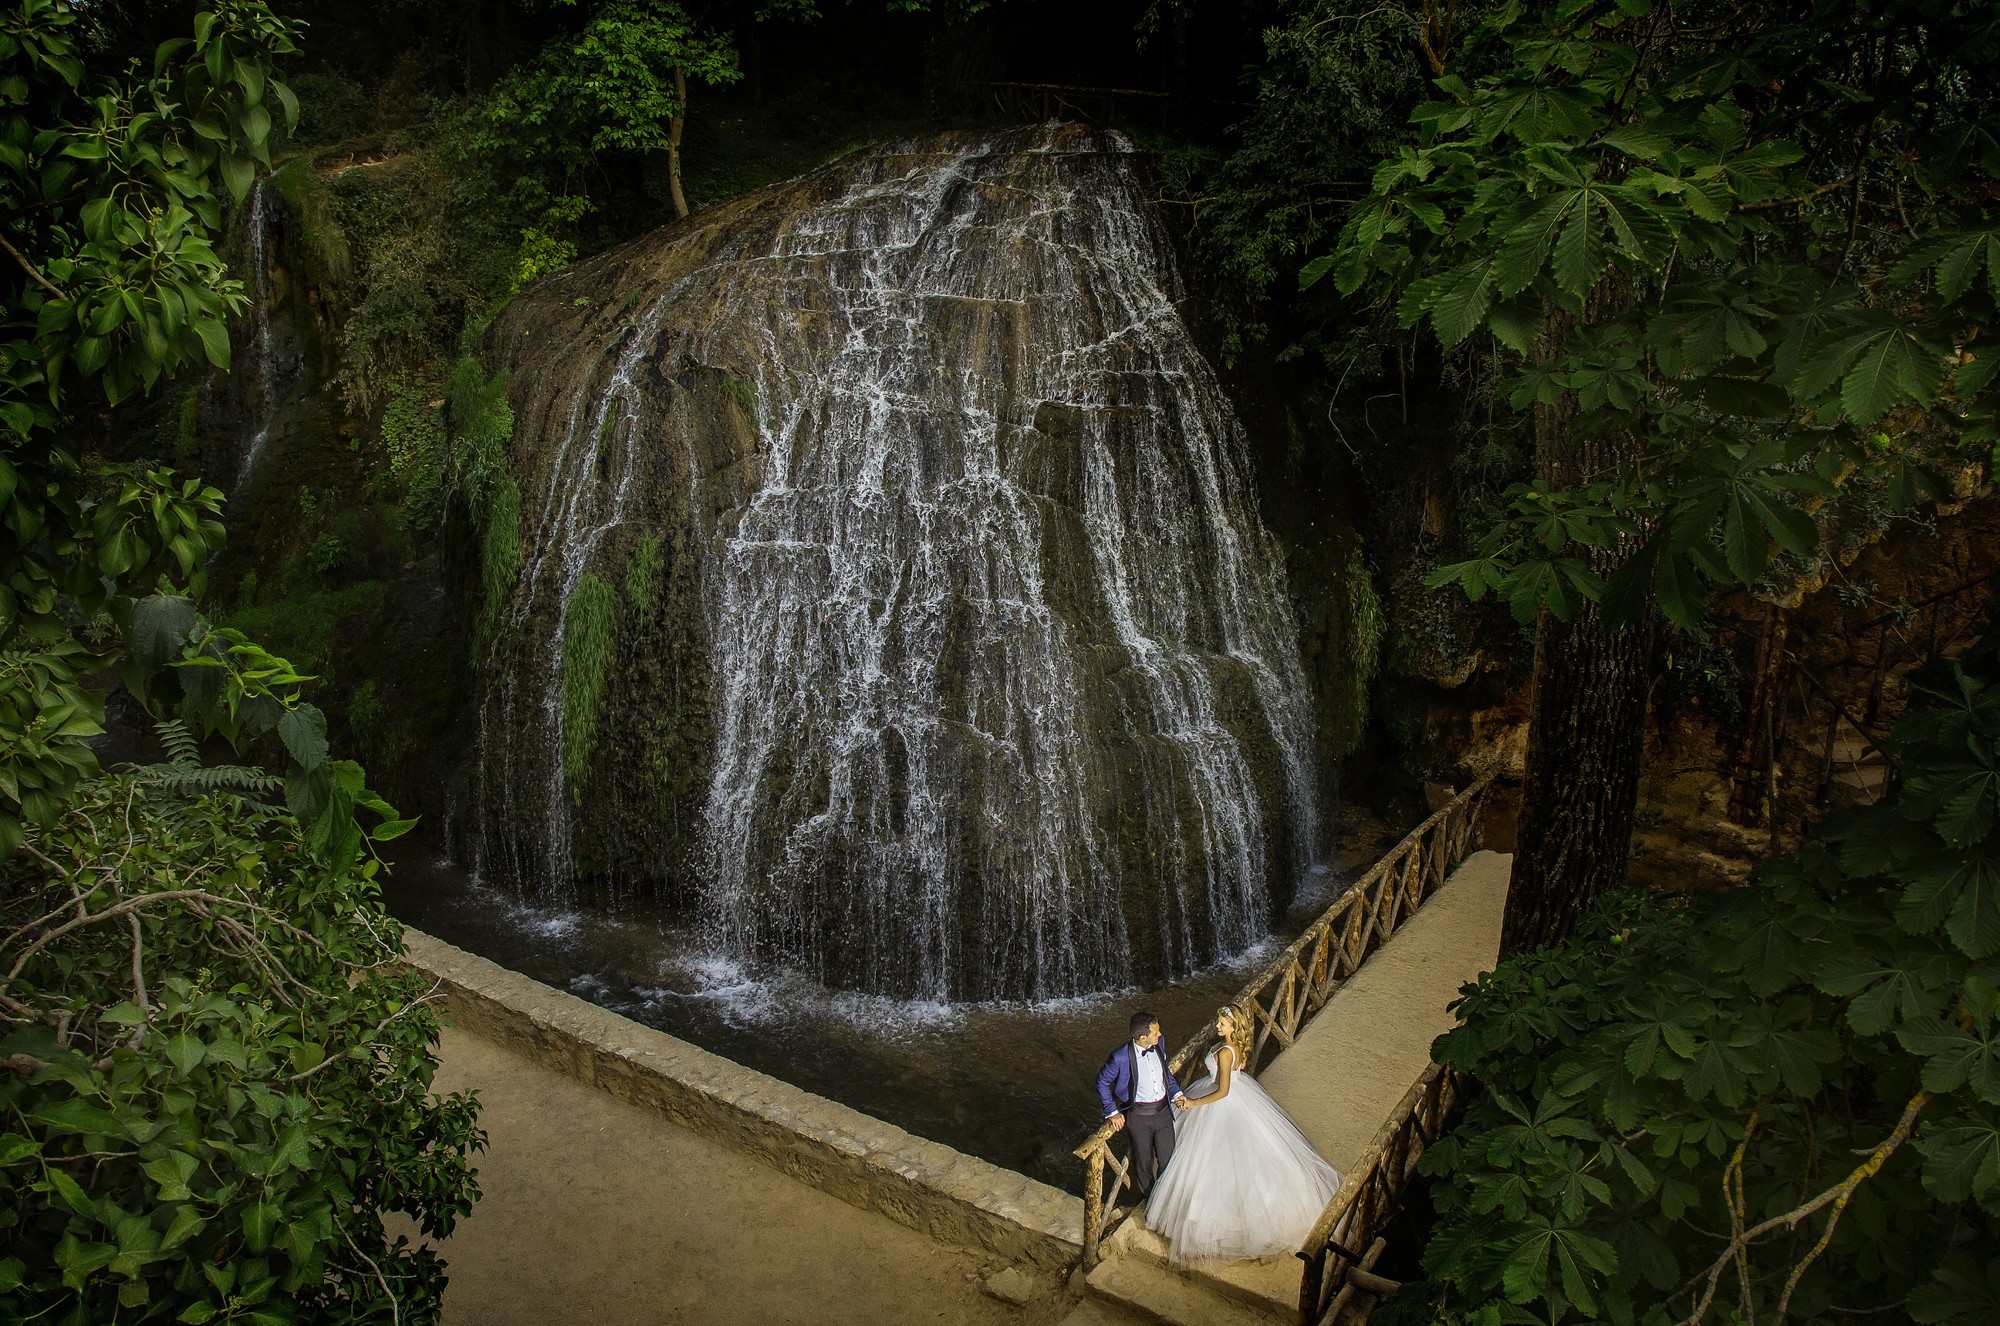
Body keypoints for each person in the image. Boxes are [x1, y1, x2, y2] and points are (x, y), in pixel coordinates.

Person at [1144, 1003, 1344, 1262]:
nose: (1217, 1026)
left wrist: (1195, 1103)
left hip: (1221, 1101)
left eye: (1222, 1024)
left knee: (1217, 1159)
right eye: (1218, 1022)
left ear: (1233, 1027)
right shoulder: (1233, 1047)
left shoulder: (1226, 1052)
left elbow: (1223, 1090)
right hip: (1234, 1092)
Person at [1095, 1010, 1188, 1202]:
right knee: (1144, 1164)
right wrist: (1112, 1111)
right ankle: (1150, 1201)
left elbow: (1165, 1074)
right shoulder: (1120, 1057)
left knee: (1168, 1158)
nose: (1160, 1035)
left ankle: (1164, 1199)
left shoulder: (1158, 1044)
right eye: (1156, 1032)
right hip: (1139, 1117)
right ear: (1142, 1037)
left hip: (1163, 1112)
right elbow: (1102, 1082)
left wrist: (1176, 1093)